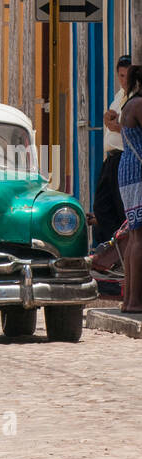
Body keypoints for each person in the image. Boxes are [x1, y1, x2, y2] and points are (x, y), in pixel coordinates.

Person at [90, 54, 130, 245]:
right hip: (112, 158)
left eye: (128, 75)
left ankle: (121, 248)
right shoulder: (119, 96)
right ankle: (113, 247)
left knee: (120, 208)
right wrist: (107, 120)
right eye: (121, 76)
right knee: (102, 206)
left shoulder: (136, 98)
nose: (124, 80)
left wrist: (118, 128)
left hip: (126, 158)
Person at [117, 65, 142, 313]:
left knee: (134, 236)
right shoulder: (139, 104)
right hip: (138, 173)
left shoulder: (129, 103)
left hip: (128, 171)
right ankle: (135, 300)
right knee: (138, 237)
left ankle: (129, 301)